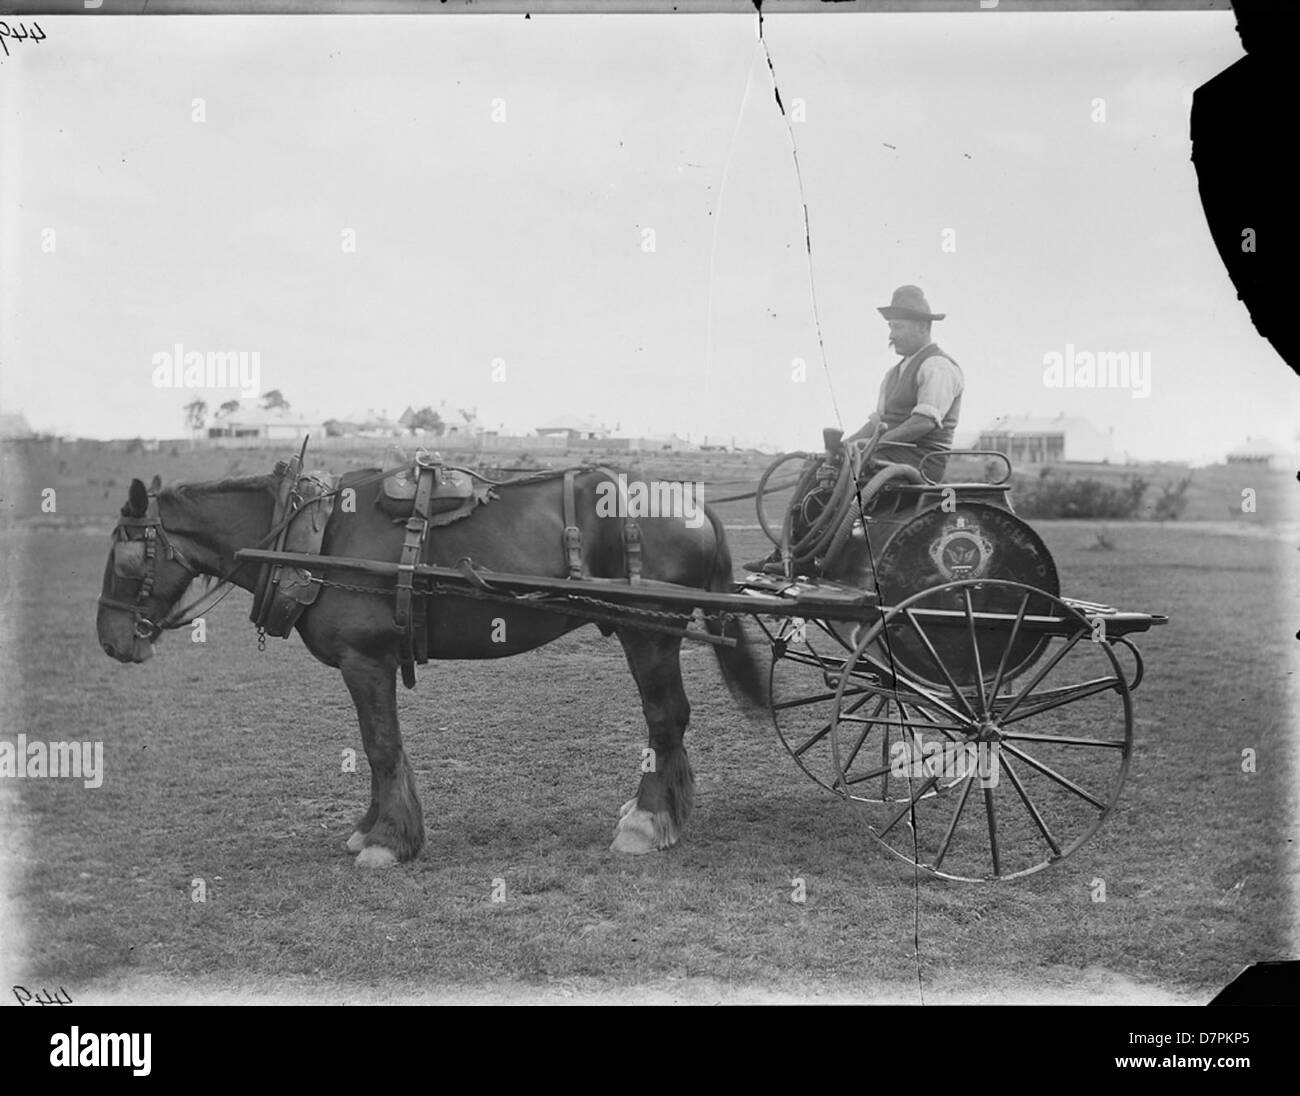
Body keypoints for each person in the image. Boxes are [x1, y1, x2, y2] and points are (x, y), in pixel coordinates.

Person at [743, 285, 963, 574]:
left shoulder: (938, 367)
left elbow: (923, 422)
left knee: (838, 477)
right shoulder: (893, 373)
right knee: (821, 469)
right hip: (888, 456)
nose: (890, 335)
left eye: (897, 327)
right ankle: (790, 555)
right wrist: (842, 447)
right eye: (890, 327)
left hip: (919, 461)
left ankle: (807, 558)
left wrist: (873, 445)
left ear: (923, 327)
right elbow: (876, 423)